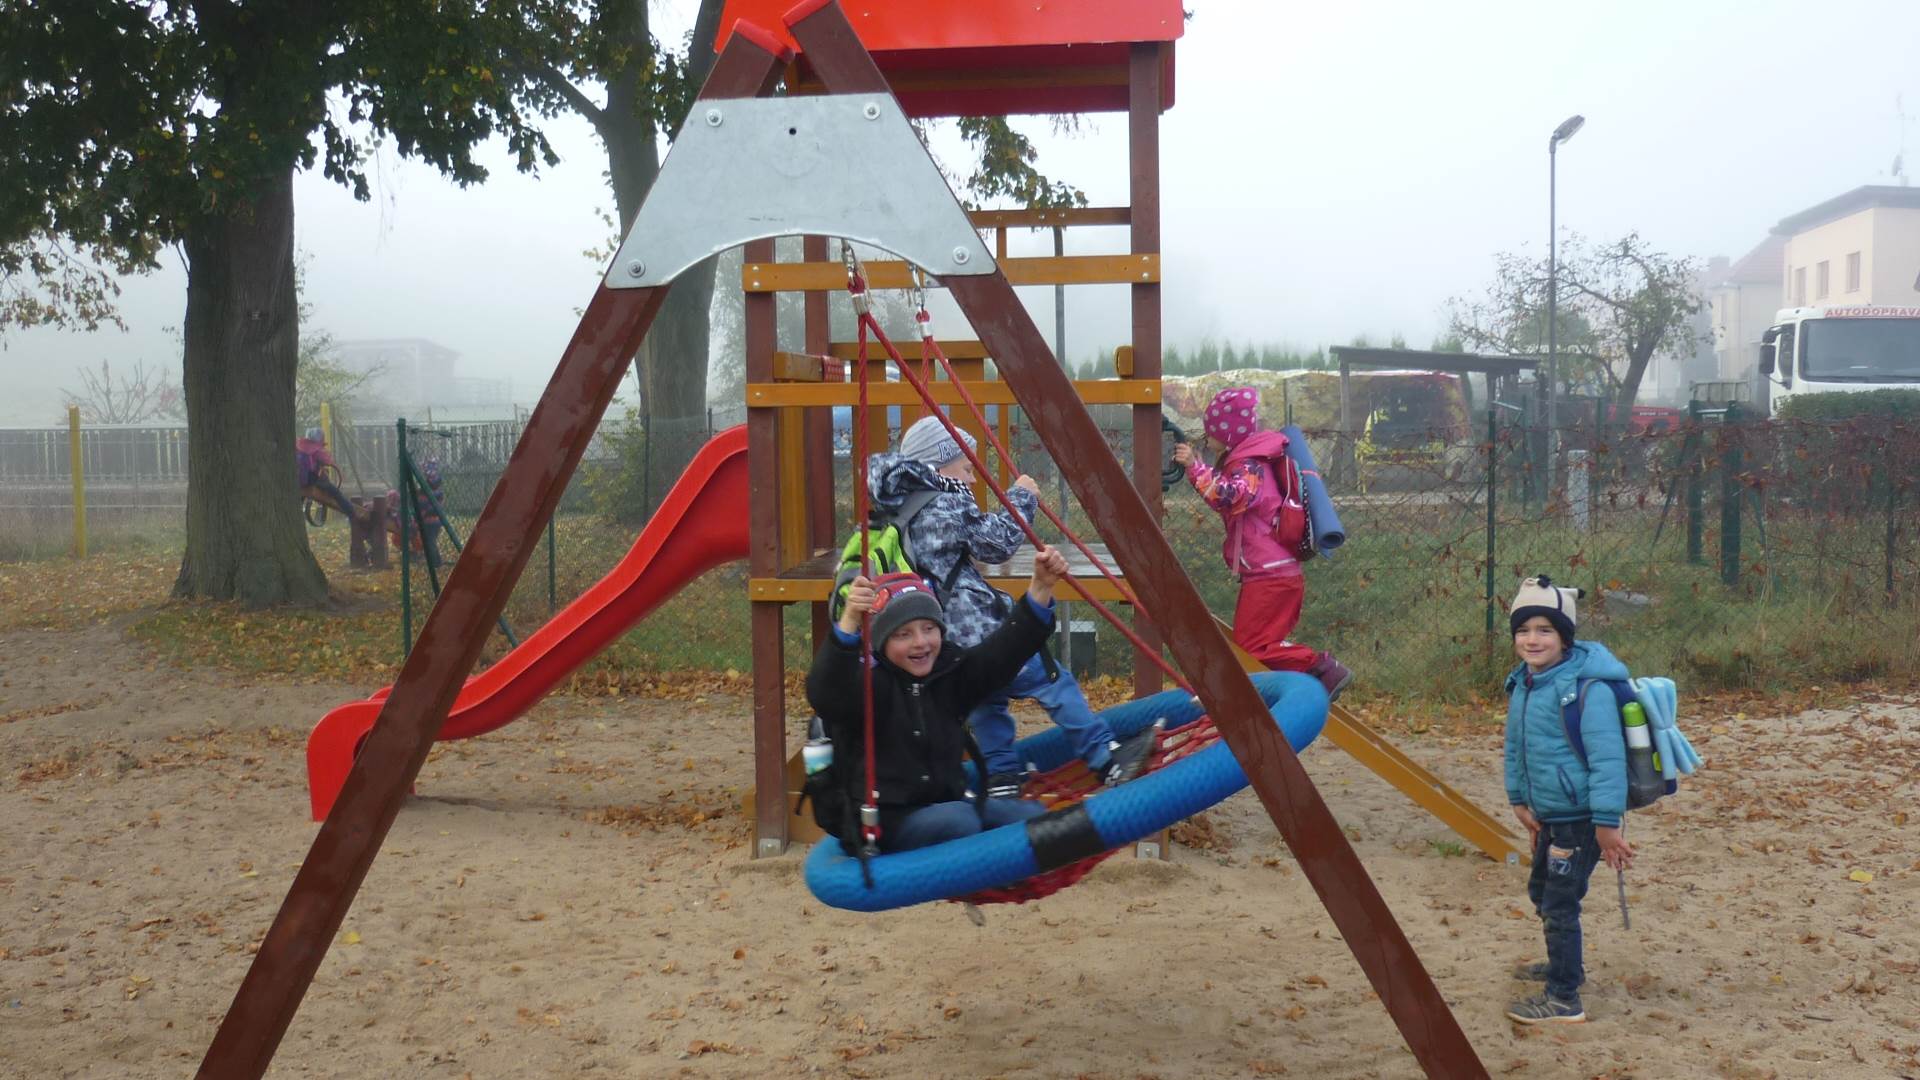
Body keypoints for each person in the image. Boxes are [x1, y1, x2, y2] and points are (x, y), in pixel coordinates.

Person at [867, 415, 1156, 798]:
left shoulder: (900, 506)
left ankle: (1002, 778)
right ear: (939, 464)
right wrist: (1022, 495)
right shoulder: (942, 503)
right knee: (1051, 680)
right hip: (979, 628)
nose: (972, 479)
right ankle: (1105, 757)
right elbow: (997, 543)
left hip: (946, 638)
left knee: (987, 699)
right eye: (966, 467)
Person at [804, 545, 1078, 853]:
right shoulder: (868, 686)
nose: (921, 642)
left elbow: (1003, 654)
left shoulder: (948, 674)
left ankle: (1021, 870)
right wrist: (850, 620)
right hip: (884, 821)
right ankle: (971, 863)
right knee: (960, 822)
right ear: (882, 641)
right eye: (903, 634)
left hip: (943, 801)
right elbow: (825, 694)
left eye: (929, 628)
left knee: (1030, 817)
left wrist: (1040, 588)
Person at [1501, 575, 1635, 1024]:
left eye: (1545, 630)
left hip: (1580, 819)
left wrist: (1607, 824)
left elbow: (1607, 760)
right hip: (1549, 814)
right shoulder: (1525, 682)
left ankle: (1563, 997)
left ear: (1564, 637)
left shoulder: (1587, 689)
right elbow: (1516, 746)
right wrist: (1519, 799)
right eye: (1523, 630)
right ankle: (1566, 966)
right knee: (1542, 891)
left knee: (1560, 903)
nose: (1532, 640)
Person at [1172, 388, 1351, 699]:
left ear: (1228, 434)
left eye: (1211, 431)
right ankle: (1292, 689)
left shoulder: (1250, 464)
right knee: (1262, 646)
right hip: (1274, 572)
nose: (1206, 437)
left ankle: (1320, 667)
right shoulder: (1251, 459)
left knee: (1251, 648)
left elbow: (1231, 497)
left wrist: (1195, 468)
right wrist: (1201, 470)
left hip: (1270, 575)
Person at [295, 427, 363, 522]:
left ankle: (295, 515)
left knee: (300, 497)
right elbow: (327, 460)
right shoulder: (316, 449)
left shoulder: (299, 445)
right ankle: (352, 514)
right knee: (337, 494)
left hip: (299, 480)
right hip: (313, 479)